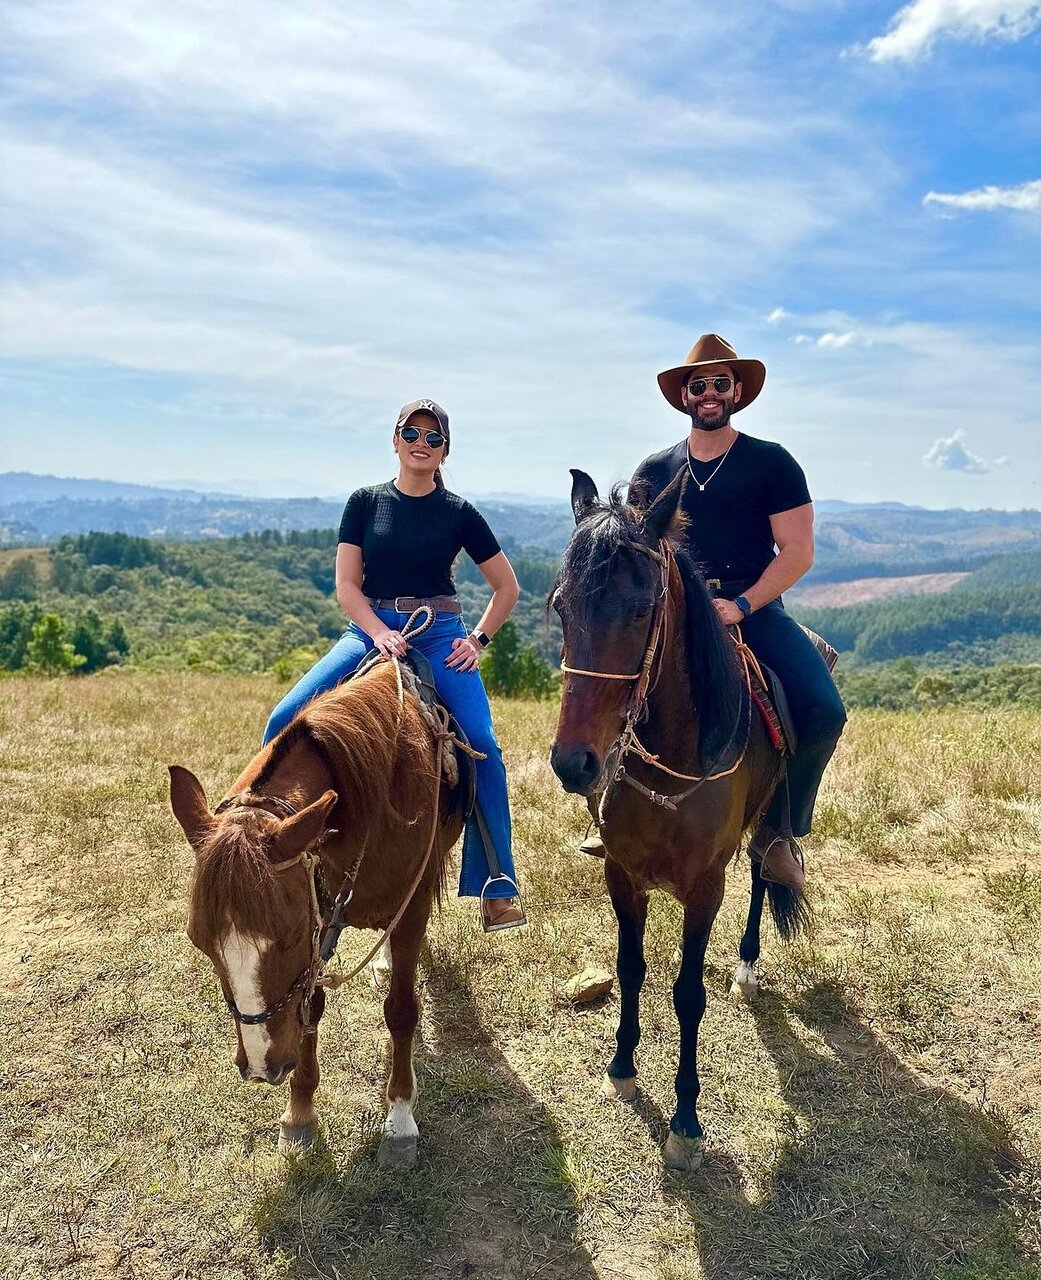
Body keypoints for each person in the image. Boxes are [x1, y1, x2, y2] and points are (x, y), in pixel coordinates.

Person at [585, 334, 846, 891]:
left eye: (719, 383)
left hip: (752, 609)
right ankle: (613, 802)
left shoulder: (771, 463)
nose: (708, 393)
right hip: (675, 616)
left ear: (736, 391)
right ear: (684, 395)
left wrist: (744, 604)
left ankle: (778, 830)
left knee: (824, 711)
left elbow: (798, 552)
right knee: (612, 686)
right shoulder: (654, 469)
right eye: (697, 385)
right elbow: (638, 551)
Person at [264, 398, 525, 930]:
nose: (421, 444)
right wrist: (378, 632)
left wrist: (477, 640)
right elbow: (347, 586)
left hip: (439, 635)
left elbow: (507, 587)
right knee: (282, 719)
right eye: (413, 432)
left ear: (444, 449)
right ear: (395, 438)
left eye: (433, 438)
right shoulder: (365, 502)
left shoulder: (459, 513)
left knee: (483, 747)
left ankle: (498, 882)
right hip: (369, 631)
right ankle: (267, 848)